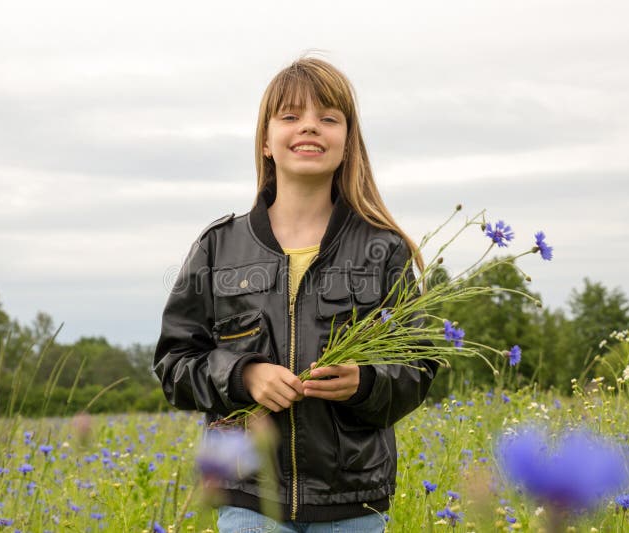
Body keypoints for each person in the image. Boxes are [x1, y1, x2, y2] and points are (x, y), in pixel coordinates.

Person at [154, 56, 437, 532]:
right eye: (291, 117)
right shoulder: (219, 246)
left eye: (328, 118)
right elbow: (175, 365)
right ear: (266, 141)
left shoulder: (383, 250)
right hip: (249, 497)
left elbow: (418, 367)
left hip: (352, 502)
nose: (310, 127)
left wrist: (365, 382)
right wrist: (244, 375)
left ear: (348, 143)